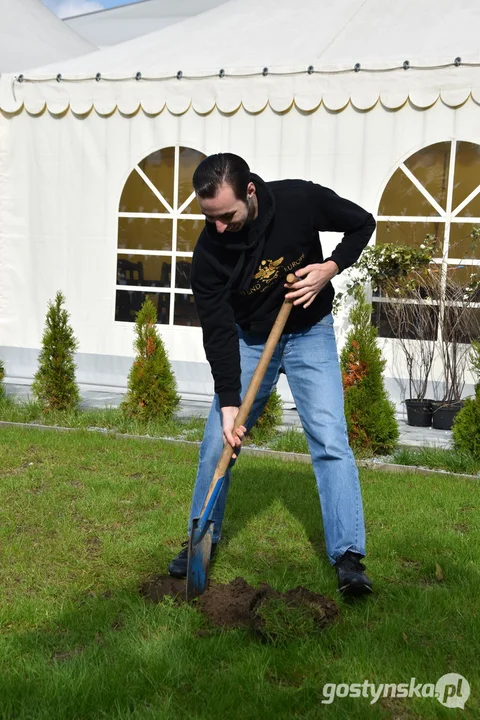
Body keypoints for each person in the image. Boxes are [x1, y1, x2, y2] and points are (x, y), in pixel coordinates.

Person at [168, 153, 376, 596]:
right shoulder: (209, 254)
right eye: (209, 217)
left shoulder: (298, 200)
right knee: (215, 441)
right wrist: (229, 404)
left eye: (227, 216)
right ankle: (200, 538)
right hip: (249, 342)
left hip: (309, 333)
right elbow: (219, 334)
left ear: (249, 192)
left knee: (329, 438)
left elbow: (362, 223)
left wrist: (330, 268)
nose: (219, 227)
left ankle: (349, 558)